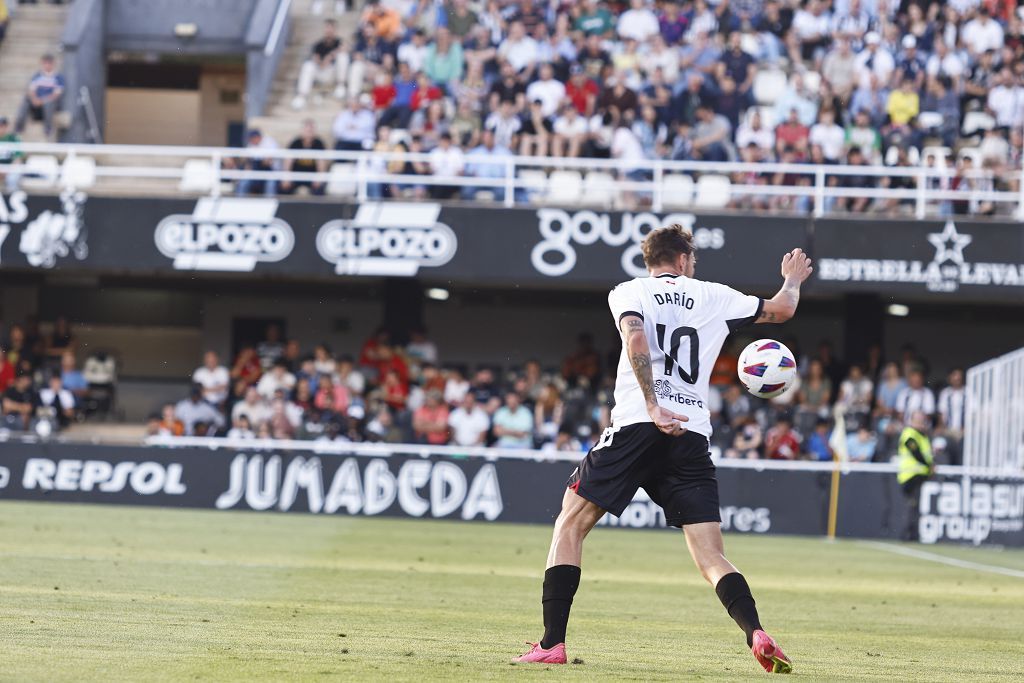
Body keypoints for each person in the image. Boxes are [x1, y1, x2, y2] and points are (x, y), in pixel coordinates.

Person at [516, 225, 812, 672]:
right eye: (692, 260)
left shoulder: (628, 292)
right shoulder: (715, 296)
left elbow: (636, 338)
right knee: (710, 554)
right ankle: (756, 631)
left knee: (570, 523)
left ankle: (551, 643)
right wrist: (791, 279)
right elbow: (783, 309)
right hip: (691, 433)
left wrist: (653, 405)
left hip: (639, 422)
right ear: (681, 260)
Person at [897, 411, 934, 542]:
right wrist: (929, 465)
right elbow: (915, 452)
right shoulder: (909, 434)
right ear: (911, 421)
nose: (921, 423)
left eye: (922, 420)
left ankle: (913, 534)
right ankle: (907, 534)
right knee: (911, 506)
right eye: (918, 420)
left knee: (915, 506)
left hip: (920, 475)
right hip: (910, 476)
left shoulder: (922, 435)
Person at [14, 54, 65, 138]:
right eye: (45, 63)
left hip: (50, 104)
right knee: (26, 100)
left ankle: (48, 128)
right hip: (37, 105)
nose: (47, 65)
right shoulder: (37, 76)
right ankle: (19, 127)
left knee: (48, 103)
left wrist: (42, 100)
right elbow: (31, 90)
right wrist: (34, 99)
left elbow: (56, 94)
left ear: (53, 64)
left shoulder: (58, 78)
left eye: (49, 63)